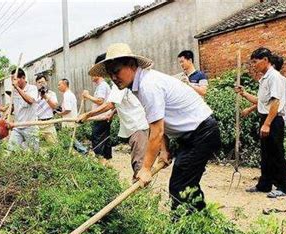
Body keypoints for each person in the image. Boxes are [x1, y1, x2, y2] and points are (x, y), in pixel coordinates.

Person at [90, 43, 221, 211]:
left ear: (131, 65)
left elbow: (156, 131)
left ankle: (188, 226)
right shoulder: (140, 84)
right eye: (110, 74)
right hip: (193, 135)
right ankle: (199, 220)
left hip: (202, 133)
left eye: (116, 71)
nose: (114, 78)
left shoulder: (147, 85)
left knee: (180, 186)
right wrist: (164, 150)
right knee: (185, 184)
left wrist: (145, 169)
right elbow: (160, 120)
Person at [79, 54, 149, 180]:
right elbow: (122, 102)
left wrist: (87, 114)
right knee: (138, 160)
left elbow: (109, 103)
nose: (112, 74)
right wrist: (113, 113)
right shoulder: (119, 83)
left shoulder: (119, 82)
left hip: (137, 126)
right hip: (135, 126)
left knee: (138, 164)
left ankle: (141, 194)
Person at [235, 47, 286, 198]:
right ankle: (264, 184)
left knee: (277, 153)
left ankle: (282, 187)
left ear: (265, 60)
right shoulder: (265, 78)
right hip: (266, 118)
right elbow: (261, 102)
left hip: (274, 120)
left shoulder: (274, 77)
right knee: (266, 154)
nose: (254, 65)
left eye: (256, 62)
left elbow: (276, 102)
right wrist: (244, 93)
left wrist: (267, 124)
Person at [240, 54, 286, 133]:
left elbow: (274, 102)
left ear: (272, 65)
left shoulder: (273, 79)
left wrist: (250, 110)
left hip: (274, 118)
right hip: (281, 118)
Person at [81, 56, 113, 162]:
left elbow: (100, 101)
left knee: (97, 139)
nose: (91, 75)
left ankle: (101, 161)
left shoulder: (102, 86)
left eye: (93, 73)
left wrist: (88, 96)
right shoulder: (101, 86)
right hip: (103, 117)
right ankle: (106, 162)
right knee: (104, 139)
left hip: (101, 118)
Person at [7, 68, 39, 151]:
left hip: (30, 126)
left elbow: (30, 101)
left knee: (34, 152)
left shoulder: (32, 88)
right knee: (11, 150)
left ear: (23, 78)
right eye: (12, 80)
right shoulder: (14, 91)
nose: (13, 82)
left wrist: (17, 87)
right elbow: (14, 107)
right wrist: (6, 117)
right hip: (17, 127)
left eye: (15, 79)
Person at [56, 78, 87, 153]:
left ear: (65, 84)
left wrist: (60, 113)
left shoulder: (67, 95)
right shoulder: (70, 94)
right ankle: (68, 153)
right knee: (69, 139)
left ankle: (83, 151)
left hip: (68, 122)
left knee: (69, 139)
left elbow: (68, 109)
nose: (58, 87)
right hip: (70, 121)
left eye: (59, 85)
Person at [35, 74, 59, 144]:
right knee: (36, 147)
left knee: (54, 145)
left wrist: (46, 97)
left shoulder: (52, 93)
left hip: (49, 123)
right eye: (39, 82)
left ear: (46, 82)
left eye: (43, 82)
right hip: (37, 124)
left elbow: (54, 106)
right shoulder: (33, 94)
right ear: (36, 84)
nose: (41, 84)